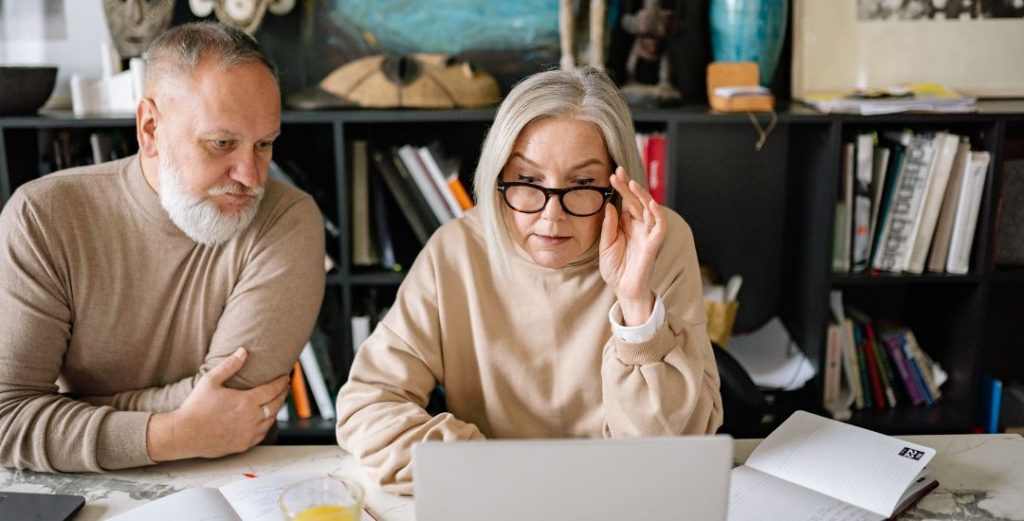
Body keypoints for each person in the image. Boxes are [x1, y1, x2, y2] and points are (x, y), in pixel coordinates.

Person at [336, 66, 722, 494]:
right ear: (496, 175)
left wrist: (635, 304)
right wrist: (496, 470)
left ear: (618, 185)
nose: (550, 216)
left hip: (618, 498)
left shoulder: (658, 242)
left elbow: (672, 450)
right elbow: (366, 407)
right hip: (493, 496)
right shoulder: (458, 249)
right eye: (526, 181)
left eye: (582, 184)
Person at [0, 22, 325, 472]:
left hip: (235, 481)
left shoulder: (287, 218)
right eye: (221, 144)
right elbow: (8, 419)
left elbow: (237, 404)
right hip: (77, 488)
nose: (251, 177)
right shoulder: (43, 216)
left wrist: (71, 407)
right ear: (150, 128)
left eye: (264, 144)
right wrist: (171, 433)